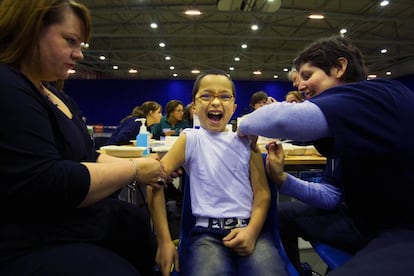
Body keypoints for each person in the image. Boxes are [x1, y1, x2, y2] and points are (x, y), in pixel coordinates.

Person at [0, 1, 168, 275]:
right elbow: (49, 180)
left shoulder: (56, 95)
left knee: (133, 225)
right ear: (30, 30)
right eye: (70, 41)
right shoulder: (9, 87)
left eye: (81, 45)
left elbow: (89, 155)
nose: (79, 55)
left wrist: (146, 167)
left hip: (73, 225)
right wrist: (136, 169)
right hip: (30, 239)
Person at [238, 35, 414, 275]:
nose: (299, 86)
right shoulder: (344, 125)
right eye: (297, 79)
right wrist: (282, 180)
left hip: (401, 230)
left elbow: (279, 119)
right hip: (360, 221)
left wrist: (242, 125)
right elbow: (332, 195)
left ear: (340, 67)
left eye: (308, 75)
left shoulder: (378, 94)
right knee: (280, 216)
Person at [147, 70, 287, 276]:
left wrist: (252, 231)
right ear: (194, 107)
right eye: (206, 96)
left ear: (234, 106)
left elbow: (263, 194)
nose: (215, 102)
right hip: (207, 235)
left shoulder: (247, 141)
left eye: (224, 96)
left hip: (249, 229)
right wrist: (165, 242)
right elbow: (154, 183)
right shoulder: (191, 139)